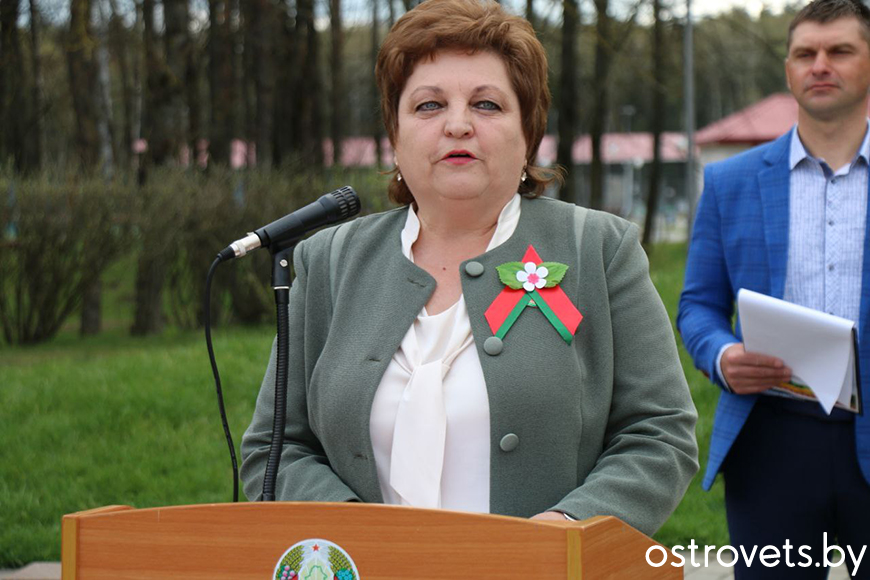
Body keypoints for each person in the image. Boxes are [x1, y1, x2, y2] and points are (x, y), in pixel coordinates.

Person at [241, 0, 697, 535]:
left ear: (528, 131)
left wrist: (565, 530)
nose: (457, 125)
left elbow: (659, 433)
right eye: (429, 106)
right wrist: (356, 538)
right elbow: (275, 449)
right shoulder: (327, 261)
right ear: (396, 133)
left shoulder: (599, 248)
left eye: (486, 105)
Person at [678, 0, 870, 576]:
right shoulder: (730, 182)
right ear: (787, 70)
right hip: (771, 443)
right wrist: (721, 354)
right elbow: (698, 305)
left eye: (840, 51)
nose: (820, 65)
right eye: (805, 53)